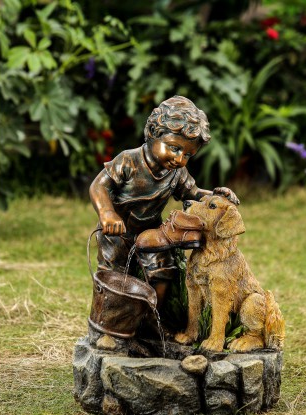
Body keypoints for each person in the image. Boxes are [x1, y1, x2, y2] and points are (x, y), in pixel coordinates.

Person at [89, 95, 239, 310]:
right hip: (116, 233)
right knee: (112, 277)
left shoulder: (177, 172)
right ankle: (107, 326)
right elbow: (99, 186)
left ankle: (152, 321)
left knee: (162, 272)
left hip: (152, 234)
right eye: (174, 148)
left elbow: (193, 193)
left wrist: (215, 196)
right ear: (152, 134)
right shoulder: (128, 161)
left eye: (187, 154)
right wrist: (107, 214)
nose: (179, 159)